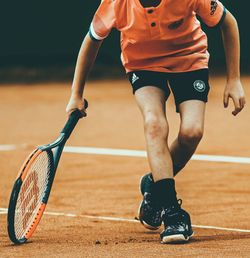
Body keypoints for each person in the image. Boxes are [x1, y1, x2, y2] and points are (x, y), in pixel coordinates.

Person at [66, 0, 245, 244]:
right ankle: (171, 211)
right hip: (143, 64)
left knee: (192, 132)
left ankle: (153, 185)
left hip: (189, 59)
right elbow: (92, 41)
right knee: (154, 123)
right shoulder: (117, 3)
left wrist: (233, 79)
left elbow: (228, 22)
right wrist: (76, 94)